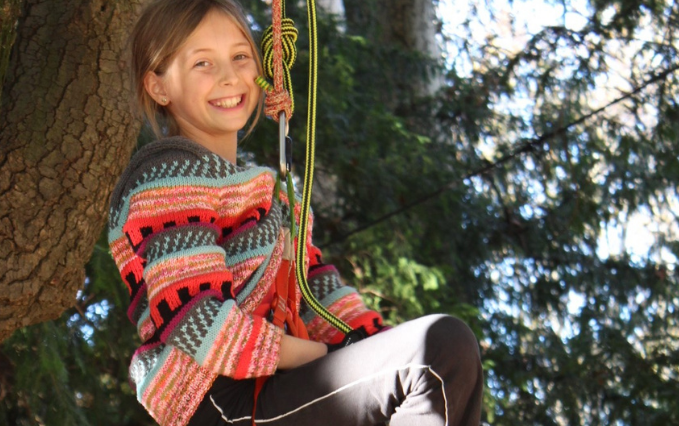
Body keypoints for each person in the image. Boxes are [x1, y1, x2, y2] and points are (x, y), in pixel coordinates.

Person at [108, 0, 484, 425]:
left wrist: (372, 344)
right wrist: (323, 354)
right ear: (159, 87)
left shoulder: (269, 192)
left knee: (439, 361)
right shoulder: (167, 176)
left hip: (272, 390)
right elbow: (195, 319)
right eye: (202, 64)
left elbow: (316, 291)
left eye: (239, 56)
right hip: (218, 399)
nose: (230, 76)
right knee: (438, 352)